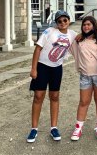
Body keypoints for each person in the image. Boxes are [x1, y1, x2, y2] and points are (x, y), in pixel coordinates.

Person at [27, 10, 77, 143]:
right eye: (59, 21)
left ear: (69, 21)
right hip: (42, 66)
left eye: (65, 20)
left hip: (57, 68)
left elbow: (86, 38)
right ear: (56, 23)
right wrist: (33, 68)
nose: (62, 23)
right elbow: (37, 48)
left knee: (54, 96)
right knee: (38, 96)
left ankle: (54, 127)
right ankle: (34, 128)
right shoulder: (49, 31)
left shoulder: (72, 34)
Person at [69, 16, 97, 141]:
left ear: (94, 26)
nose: (86, 27)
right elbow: (67, 39)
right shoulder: (78, 40)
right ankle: (78, 127)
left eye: (89, 24)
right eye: (84, 24)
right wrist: (79, 35)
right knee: (83, 102)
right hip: (85, 75)